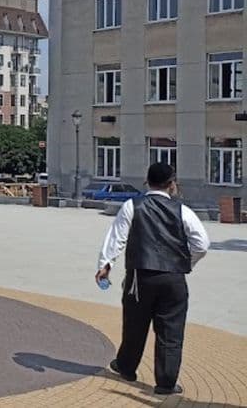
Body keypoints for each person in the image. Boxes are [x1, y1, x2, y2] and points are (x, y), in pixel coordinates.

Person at [96, 162, 210, 395]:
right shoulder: (183, 211)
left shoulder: (132, 206)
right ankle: (166, 383)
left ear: (147, 182)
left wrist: (105, 266)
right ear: (172, 184)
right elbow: (202, 244)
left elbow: (117, 238)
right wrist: (185, 264)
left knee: (134, 324)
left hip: (140, 277)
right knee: (171, 330)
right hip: (173, 279)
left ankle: (126, 368)